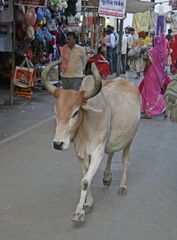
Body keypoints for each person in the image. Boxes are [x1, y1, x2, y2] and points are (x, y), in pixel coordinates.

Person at [139, 38, 170, 119]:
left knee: (149, 92)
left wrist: (145, 70)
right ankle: (163, 107)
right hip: (159, 74)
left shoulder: (152, 51)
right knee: (156, 92)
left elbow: (148, 63)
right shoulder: (162, 52)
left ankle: (148, 113)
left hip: (151, 73)